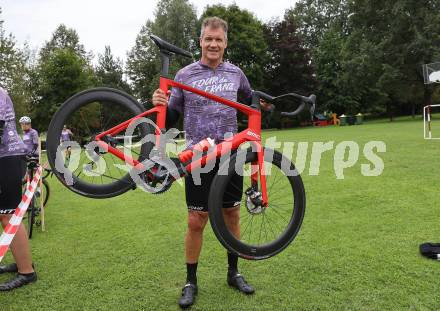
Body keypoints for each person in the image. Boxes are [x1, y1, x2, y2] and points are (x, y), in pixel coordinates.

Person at [152, 17, 272, 308]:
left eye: (218, 39)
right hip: (198, 156)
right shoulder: (185, 74)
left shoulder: (236, 74)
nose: (213, 44)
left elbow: (251, 102)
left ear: (225, 42)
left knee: (231, 215)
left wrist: (263, 105)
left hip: (231, 155)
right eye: (208, 39)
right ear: (201, 41)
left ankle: (234, 272)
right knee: (196, 220)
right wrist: (160, 104)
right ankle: (190, 281)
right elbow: (170, 119)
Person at [0, 87, 37, 290]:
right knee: (5, 216)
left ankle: (27, 272)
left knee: (9, 216)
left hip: (6, 158)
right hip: (6, 157)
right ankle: (22, 262)